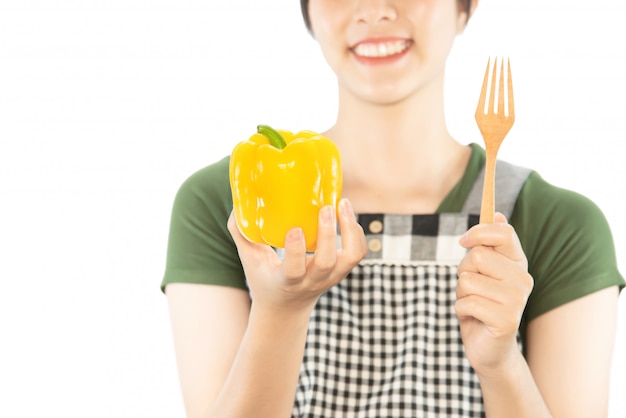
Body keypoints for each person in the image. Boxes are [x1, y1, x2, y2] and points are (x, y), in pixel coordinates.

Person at [161, 1, 625, 417]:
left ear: (466, 7)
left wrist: (501, 365)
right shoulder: (227, 205)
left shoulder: (560, 224)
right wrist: (280, 313)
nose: (375, 9)